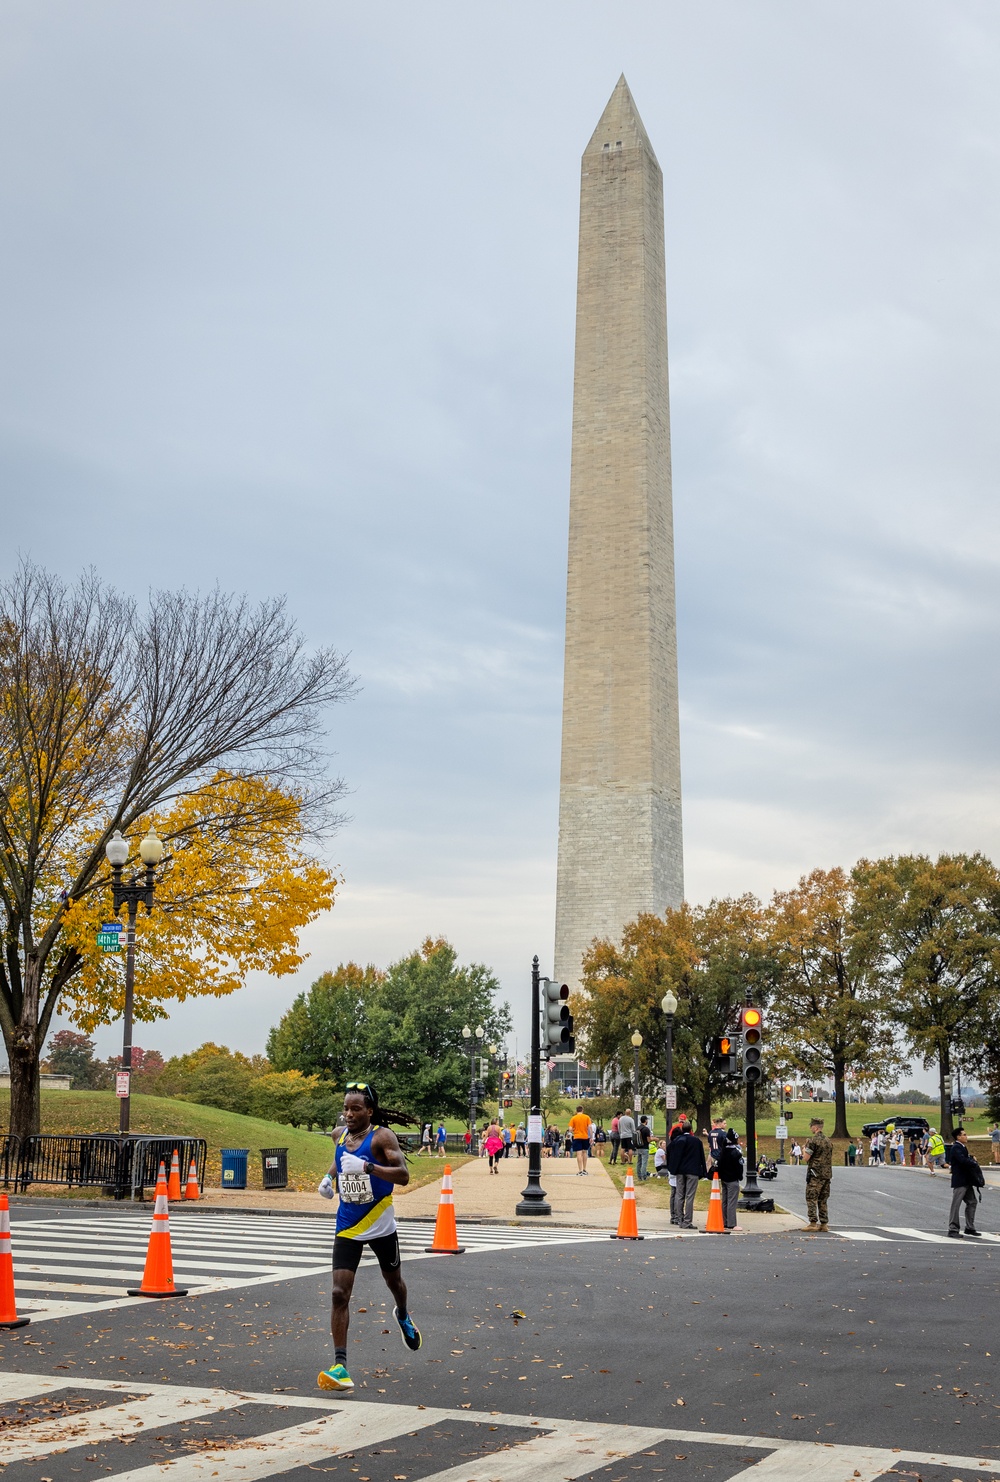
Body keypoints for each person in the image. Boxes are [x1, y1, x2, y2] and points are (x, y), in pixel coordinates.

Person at [317, 1081, 420, 1393]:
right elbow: (340, 1158)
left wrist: (367, 1166)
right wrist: (329, 1177)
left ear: (369, 1111)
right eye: (346, 1108)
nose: (348, 1114)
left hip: (379, 1223)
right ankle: (340, 1366)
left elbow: (402, 1175)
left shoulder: (382, 1137)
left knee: (394, 1283)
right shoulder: (339, 1135)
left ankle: (402, 1314)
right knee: (338, 1292)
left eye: (355, 1109)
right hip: (348, 1223)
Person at [665, 1123, 708, 1229]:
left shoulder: (677, 1141)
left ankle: (680, 1219)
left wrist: (672, 1168)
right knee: (689, 1196)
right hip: (693, 1171)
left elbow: (672, 1154)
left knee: (679, 1195)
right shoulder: (696, 1141)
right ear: (691, 1130)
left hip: (680, 1171)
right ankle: (687, 1221)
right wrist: (703, 1171)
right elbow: (701, 1156)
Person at [947, 1127, 985, 1238]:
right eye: (964, 1134)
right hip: (960, 1181)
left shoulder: (962, 1147)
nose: (966, 1136)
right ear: (958, 1137)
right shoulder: (956, 1148)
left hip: (966, 1181)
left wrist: (970, 1158)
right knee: (956, 1204)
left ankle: (969, 1227)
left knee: (972, 1202)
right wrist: (973, 1161)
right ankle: (953, 1229)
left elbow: (965, 1159)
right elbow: (962, 1161)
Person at [804, 1116, 833, 1232]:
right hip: (826, 1174)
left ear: (815, 1127)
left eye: (811, 1126)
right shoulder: (828, 1141)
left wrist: (804, 1149)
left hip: (815, 1174)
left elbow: (806, 1158)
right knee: (823, 1199)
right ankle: (824, 1223)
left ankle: (812, 1222)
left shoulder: (813, 1141)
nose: (811, 1128)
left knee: (811, 1197)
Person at [716, 1128, 744, 1232]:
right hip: (732, 1179)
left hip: (724, 1178)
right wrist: (739, 1176)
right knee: (732, 1201)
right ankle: (732, 1223)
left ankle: (725, 1221)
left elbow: (720, 1165)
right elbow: (739, 1167)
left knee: (725, 1201)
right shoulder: (736, 1153)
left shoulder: (723, 1152)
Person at [568, 1105, 593, 1176]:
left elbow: (570, 1128)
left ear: (576, 1111)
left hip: (577, 1136)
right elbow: (590, 1127)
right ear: (582, 1110)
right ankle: (585, 1169)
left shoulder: (573, 1118)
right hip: (585, 1136)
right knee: (585, 1152)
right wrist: (591, 1137)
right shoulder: (587, 1117)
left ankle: (580, 1170)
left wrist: (573, 1130)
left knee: (579, 1154)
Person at [635, 1115, 652, 1181]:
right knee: (644, 1163)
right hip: (645, 1147)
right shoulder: (646, 1129)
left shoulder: (638, 1128)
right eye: (647, 1120)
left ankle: (639, 1176)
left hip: (638, 1147)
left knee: (639, 1162)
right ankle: (644, 1176)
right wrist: (654, 1139)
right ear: (645, 1120)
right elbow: (648, 1140)